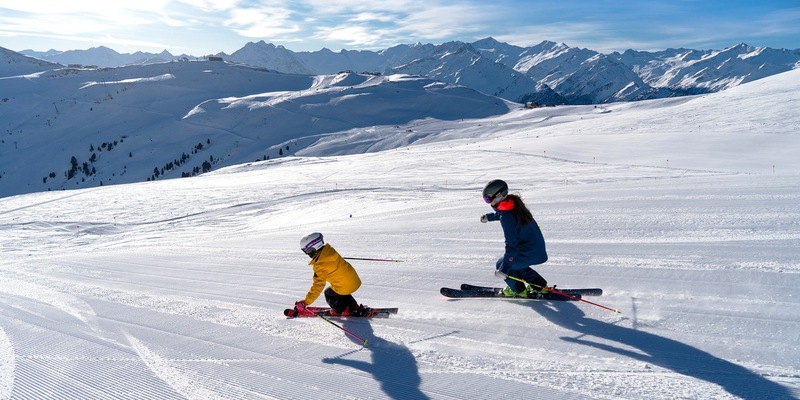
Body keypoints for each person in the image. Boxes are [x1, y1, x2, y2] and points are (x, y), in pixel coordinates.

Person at [480, 179, 549, 297]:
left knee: (502, 264)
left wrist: (504, 269)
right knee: (517, 264)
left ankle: (518, 291)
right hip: (536, 250)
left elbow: (511, 245)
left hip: (530, 252)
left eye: (488, 199)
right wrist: (489, 217)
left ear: (499, 196)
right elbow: (503, 214)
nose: (488, 203)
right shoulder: (513, 204)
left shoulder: (506, 217)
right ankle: (540, 287)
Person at [294, 232, 368, 316]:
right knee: (338, 289)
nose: (307, 253)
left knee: (329, 293)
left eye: (307, 251)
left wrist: (306, 302)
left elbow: (318, 285)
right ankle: (354, 306)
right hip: (355, 281)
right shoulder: (330, 251)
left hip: (345, 287)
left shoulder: (319, 265)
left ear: (313, 248)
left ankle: (341, 310)